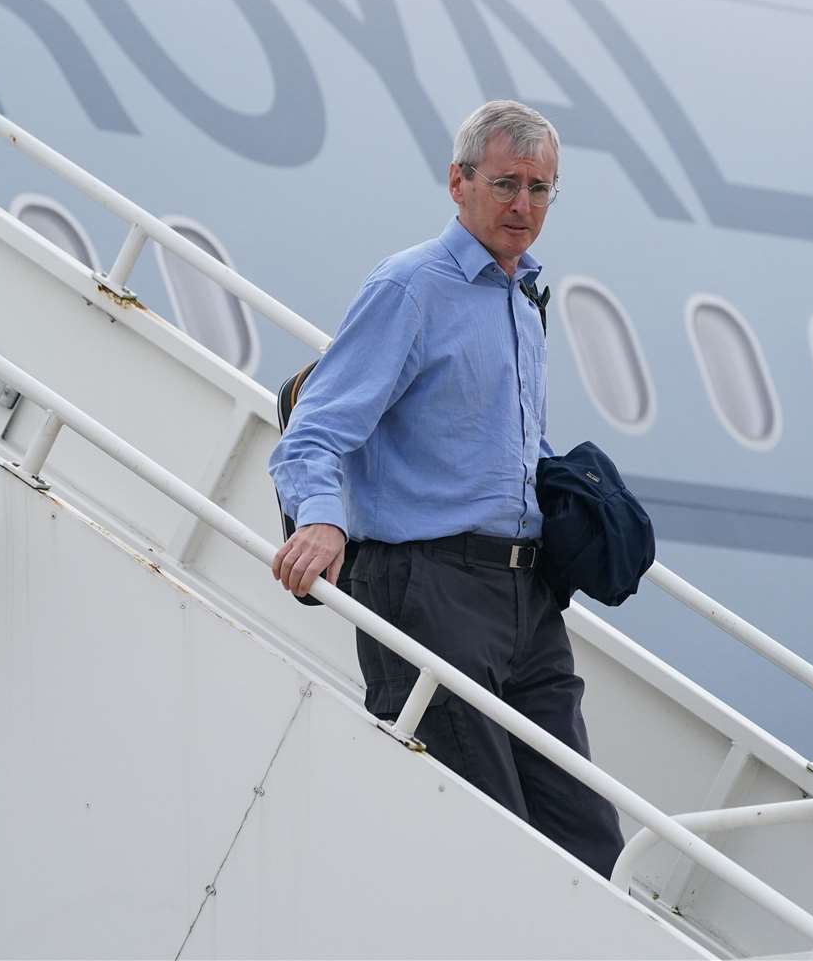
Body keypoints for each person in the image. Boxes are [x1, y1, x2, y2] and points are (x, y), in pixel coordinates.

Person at [266, 100, 624, 878]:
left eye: (540, 188)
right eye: (505, 184)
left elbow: (503, 440)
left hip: (525, 602)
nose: (523, 206)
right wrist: (323, 522)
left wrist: (577, 506)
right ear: (458, 183)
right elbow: (316, 430)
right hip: (429, 588)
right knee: (473, 834)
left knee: (587, 841)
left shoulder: (521, 297)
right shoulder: (411, 288)